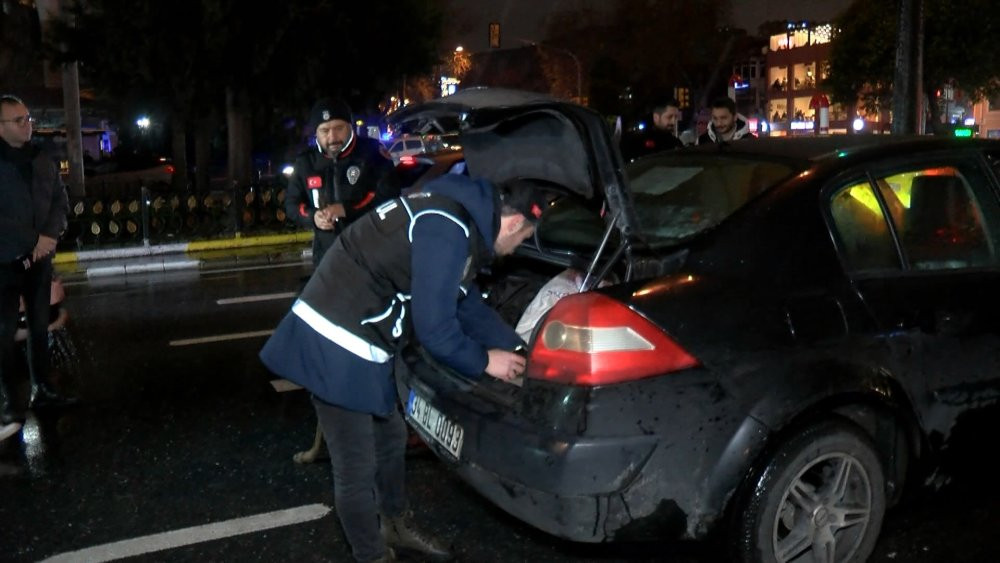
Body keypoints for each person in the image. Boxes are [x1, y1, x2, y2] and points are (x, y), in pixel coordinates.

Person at [260, 173, 545, 562]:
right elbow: (436, 331)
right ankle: (371, 555)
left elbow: (464, 303)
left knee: (390, 438)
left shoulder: (452, 217)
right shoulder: (448, 227)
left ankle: (393, 523)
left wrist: (518, 347)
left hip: (365, 335)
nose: (516, 250)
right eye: (523, 239)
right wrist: (485, 361)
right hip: (336, 340)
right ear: (513, 223)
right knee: (355, 467)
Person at [0, 94, 73, 443]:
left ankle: (42, 388)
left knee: (39, 328)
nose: (27, 124)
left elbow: (60, 199)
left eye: (27, 118)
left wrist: (51, 234)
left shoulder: (42, 158)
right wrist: (34, 238)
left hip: (39, 261)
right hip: (5, 261)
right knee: (3, 333)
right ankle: (7, 403)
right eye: (18, 120)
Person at [284, 97, 400, 266]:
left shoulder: (372, 153)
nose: (332, 137)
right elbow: (292, 204)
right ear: (316, 132)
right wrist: (313, 217)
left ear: (350, 127)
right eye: (325, 131)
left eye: (339, 128)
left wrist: (346, 210)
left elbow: (388, 196)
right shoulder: (306, 162)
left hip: (371, 253)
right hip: (326, 257)